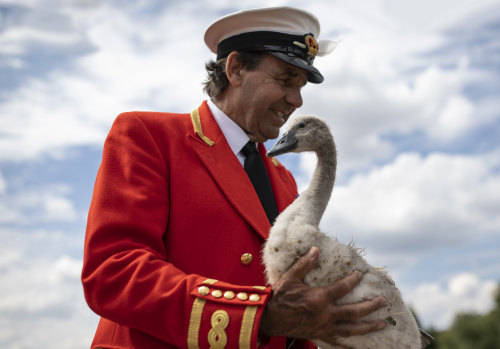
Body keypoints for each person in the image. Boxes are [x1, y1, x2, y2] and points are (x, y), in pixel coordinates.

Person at [81, 6, 387, 349]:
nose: (296, 100)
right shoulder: (147, 136)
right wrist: (259, 316)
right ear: (236, 68)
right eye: (286, 80)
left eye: (301, 87)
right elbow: (114, 274)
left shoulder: (283, 179)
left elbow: (296, 311)